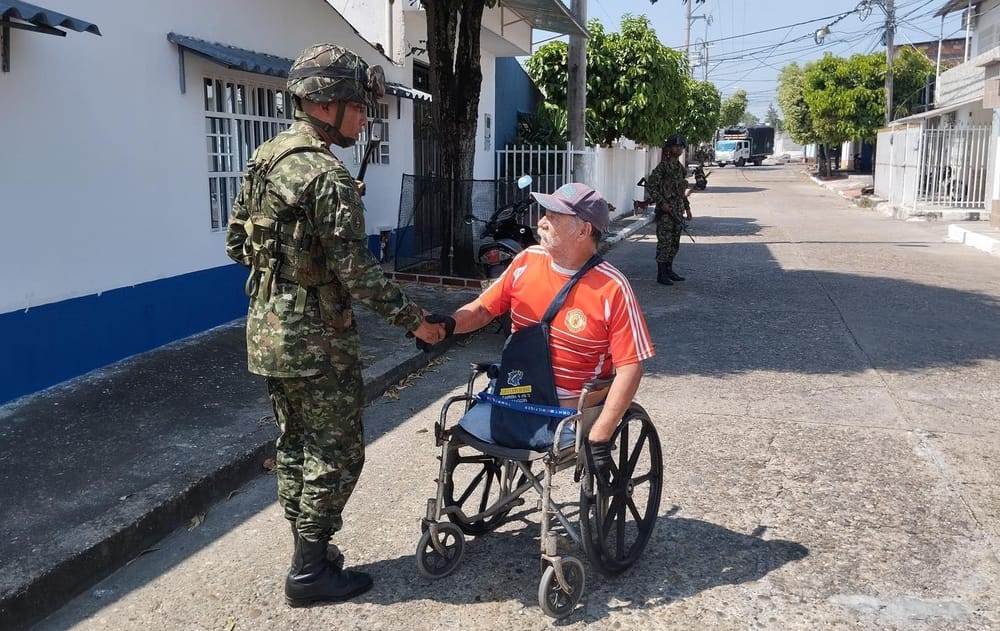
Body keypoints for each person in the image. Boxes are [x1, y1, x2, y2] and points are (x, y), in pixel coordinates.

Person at [225, 43, 444, 607]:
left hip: (269, 328)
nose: (366, 116)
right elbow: (359, 275)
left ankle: (310, 557)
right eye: (359, 105)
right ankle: (309, 573)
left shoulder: (268, 157)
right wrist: (415, 322)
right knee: (337, 451)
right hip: (317, 337)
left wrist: (304, 245)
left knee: (295, 444)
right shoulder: (326, 175)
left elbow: (236, 244)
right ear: (326, 104)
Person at [430, 183, 654, 472]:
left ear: (583, 230)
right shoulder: (526, 261)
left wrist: (602, 433)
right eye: (545, 213)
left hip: (566, 411)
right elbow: (484, 308)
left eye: (553, 217)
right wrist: (448, 325)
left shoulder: (612, 287)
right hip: (514, 393)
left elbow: (631, 367)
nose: (541, 222)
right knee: (459, 421)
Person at [645, 134, 692, 285]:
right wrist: (661, 203)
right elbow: (651, 185)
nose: (678, 148)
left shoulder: (680, 169)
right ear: (670, 148)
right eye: (675, 146)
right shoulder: (663, 167)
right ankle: (661, 274)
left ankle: (669, 270)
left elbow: (681, 191)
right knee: (664, 243)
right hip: (665, 212)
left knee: (674, 243)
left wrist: (687, 208)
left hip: (677, 211)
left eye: (681, 146)